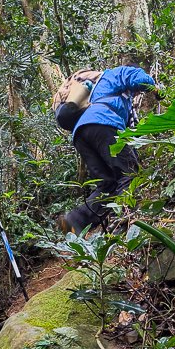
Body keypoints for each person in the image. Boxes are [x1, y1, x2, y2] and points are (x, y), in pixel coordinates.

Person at [58, 65, 156, 235]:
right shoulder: (117, 73)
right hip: (104, 123)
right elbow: (141, 79)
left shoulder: (98, 88)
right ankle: (126, 221)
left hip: (81, 133)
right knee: (129, 174)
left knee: (107, 183)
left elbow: (130, 135)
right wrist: (155, 87)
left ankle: (75, 220)